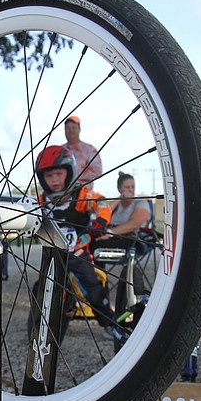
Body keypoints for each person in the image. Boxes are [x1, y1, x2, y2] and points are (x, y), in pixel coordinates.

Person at [35, 144, 117, 340]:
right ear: (42, 179)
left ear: (69, 171)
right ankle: (42, 326)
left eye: (58, 174)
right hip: (54, 254)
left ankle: (110, 324)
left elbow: (102, 203)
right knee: (40, 289)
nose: (54, 180)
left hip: (79, 251)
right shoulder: (40, 201)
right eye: (49, 176)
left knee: (93, 288)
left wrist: (100, 222)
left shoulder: (81, 195)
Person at [92, 171, 152, 253]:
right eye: (127, 187)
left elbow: (134, 224)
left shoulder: (141, 202)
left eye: (133, 187)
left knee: (97, 244)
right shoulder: (116, 204)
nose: (130, 190)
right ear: (119, 189)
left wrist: (109, 233)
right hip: (110, 236)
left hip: (131, 238)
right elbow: (103, 214)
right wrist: (120, 198)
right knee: (90, 241)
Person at [64, 116, 103, 188]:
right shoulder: (60, 150)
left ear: (79, 130)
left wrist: (72, 175)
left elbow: (98, 172)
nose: (70, 130)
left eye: (74, 127)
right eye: (68, 128)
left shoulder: (90, 150)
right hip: (63, 195)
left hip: (84, 194)